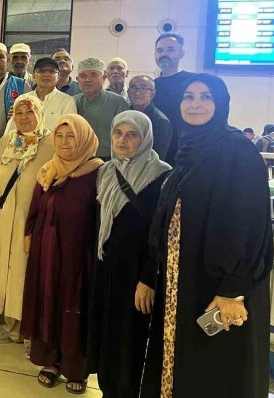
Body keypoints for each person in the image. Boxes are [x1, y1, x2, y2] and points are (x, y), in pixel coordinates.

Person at [142, 74, 272, 398]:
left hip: (221, 289)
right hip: (182, 284)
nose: (195, 104)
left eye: (205, 97)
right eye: (188, 97)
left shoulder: (237, 151)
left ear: (221, 104)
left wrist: (232, 289)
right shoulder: (187, 151)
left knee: (216, 372)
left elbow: (249, 225)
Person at [86, 111, 171, 398]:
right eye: (118, 133)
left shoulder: (162, 176)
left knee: (131, 337)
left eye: (132, 134)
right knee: (107, 332)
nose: (123, 140)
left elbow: (161, 235)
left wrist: (148, 278)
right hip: (107, 267)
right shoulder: (106, 171)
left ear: (145, 138)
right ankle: (108, 390)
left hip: (137, 273)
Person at [21, 114, 103, 395]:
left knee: (73, 305)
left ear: (84, 139)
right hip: (46, 252)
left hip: (78, 255)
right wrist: (29, 234)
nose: (65, 142)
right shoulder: (49, 169)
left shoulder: (97, 173)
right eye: (60, 136)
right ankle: (50, 360)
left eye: (71, 136)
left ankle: (75, 367)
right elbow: (36, 206)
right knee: (47, 300)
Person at [0, 93, 55, 345]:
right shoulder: (8, 140)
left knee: (28, 273)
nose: (24, 118)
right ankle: (12, 326)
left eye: (29, 112)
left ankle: (31, 331)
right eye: (19, 113)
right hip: (4, 220)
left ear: (40, 113)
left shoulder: (51, 143)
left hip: (32, 223)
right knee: (5, 269)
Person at [74, 57, 129, 160]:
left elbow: (126, 135)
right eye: (83, 76)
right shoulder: (73, 101)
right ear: (77, 80)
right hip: (77, 159)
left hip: (109, 161)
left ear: (104, 78)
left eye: (94, 75)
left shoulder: (118, 102)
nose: (88, 80)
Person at [152, 33, 194, 164]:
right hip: (156, 156)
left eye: (170, 49)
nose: (164, 54)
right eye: (160, 50)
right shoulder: (151, 87)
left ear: (182, 53)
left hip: (186, 155)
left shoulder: (193, 83)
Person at [5, 57, 76, 133]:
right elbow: (11, 131)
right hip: (23, 140)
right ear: (33, 76)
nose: (46, 74)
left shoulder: (67, 102)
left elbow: (69, 132)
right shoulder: (22, 99)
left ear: (58, 76)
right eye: (41, 71)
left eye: (52, 71)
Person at [128, 75, 173, 161]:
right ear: (128, 92)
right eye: (134, 88)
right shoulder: (124, 114)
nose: (137, 93)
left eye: (143, 88)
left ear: (152, 93)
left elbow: (157, 159)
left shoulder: (161, 122)